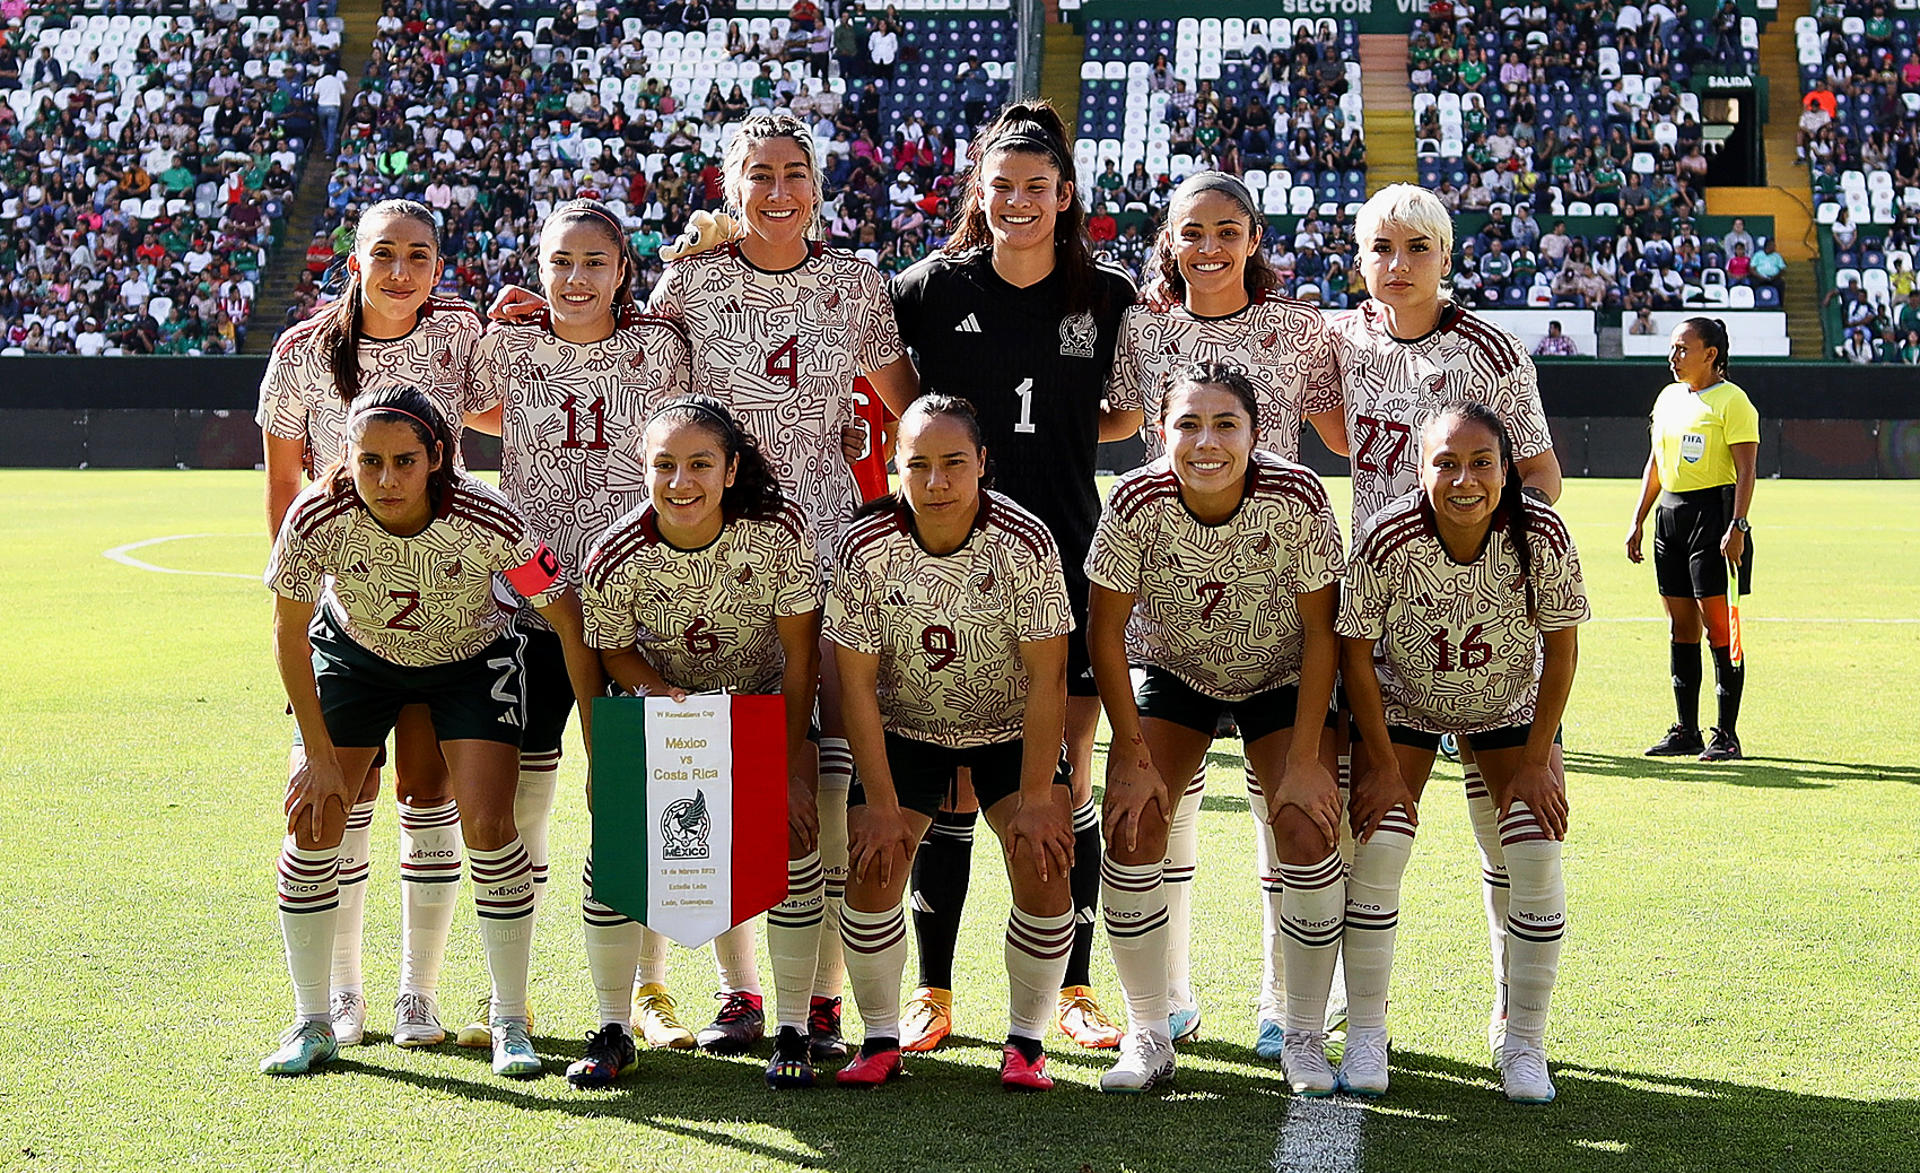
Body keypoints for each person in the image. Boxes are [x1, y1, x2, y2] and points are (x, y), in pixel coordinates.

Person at [886, 101, 1138, 1053]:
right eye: (1003, 187)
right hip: (942, 558)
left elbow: (1124, 414)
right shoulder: (925, 287)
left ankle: (1073, 986)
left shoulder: (1106, 297)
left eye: (1038, 187)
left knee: (1064, 777)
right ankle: (935, 990)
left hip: (1067, 554)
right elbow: (872, 367)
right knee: (951, 781)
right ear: (978, 195)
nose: (1020, 201)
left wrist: (1066, 434)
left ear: (1065, 194)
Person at [260, 387, 603, 1078]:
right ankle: (312, 1019)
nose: (386, 479)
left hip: (468, 660)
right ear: (347, 459)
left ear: (438, 457)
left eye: (404, 461)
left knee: (487, 823)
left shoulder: (489, 517)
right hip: (355, 657)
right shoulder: (318, 514)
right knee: (314, 818)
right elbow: (288, 632)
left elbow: (566, 617)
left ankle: (509, 1020)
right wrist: (321, 756)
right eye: (370, 461)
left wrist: (603, 751)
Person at [1103, 170, 1345, 1055]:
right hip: (1173, 611)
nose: (1208, 247)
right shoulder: (1144, 324)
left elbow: (1355, 426)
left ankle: (1287, 1004)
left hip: (1282, 606)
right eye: (1191, 231)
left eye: (1226, 230)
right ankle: (1161, 1005)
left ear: (1254, 239)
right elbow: (1115, 415)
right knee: (1157, 817)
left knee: (1289, 814)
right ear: (1168, 239)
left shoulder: (1297, 329)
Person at [1327, 184, 1564, 1073]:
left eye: (1417, 248)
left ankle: (1516, 1020)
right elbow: (1335, 431)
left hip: (1489, 629)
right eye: (1382, 248)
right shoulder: (1347, 341)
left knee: (1512, 833)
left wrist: (1475, 561)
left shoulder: (1490, 351)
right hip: (1382, 630)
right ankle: (1364, 1024)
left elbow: (1540, 475)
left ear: (1446, 255)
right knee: (1376, 831)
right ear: (1361, 260)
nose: (1399, 264)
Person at [466, 199, 696, 1058]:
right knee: (525, 797)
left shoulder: (658, 350)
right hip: (526, 601)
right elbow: (479, 415)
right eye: (560, 262)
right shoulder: (508, 345)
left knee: (638, 797)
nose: (575, 279)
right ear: (537, 265)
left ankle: (646, 987)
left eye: (594, 262)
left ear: (622, 271)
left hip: (631, 601)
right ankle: (511, 1000)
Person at [256, 199, 487, 1051]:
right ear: (352, 261)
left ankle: (416, 996)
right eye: (383, 253)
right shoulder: (302, 350)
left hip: (445, 602)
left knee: (429, 795)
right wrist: (302, 590)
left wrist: (530, 321)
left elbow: (510, 407)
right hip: (343, 611)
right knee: (331, 797)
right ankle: (339, 998)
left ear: (438, 266)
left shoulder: (460, 336)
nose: (401, 271)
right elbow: (283, 484)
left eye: (419, 256)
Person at [1084, 365, 1343, 1092]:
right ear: (1161, 433)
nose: (1206, 441)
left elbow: (1323, 632)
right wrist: (1130, 753)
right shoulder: (1135, 497)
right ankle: (1148, 1031)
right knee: (1133, 822)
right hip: (1176, 669)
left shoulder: (1296, 494)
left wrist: (1301, 757)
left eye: (1226, 424)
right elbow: (1105, 632)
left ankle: (1302, 1031)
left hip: (1280, 671)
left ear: (1256, 434)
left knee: (1307, 823)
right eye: (1187, 425)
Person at [1338, 402, 1588, 1103]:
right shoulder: (1388, 534)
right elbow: (1355, 654)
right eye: (1445, 462)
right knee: (1379, 841)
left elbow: (1564, 645)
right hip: (1406, 698)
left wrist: (1539, 760)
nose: (1464, 478)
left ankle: (1524, 1040)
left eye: (1482, 462)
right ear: (1419, 471)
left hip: (1508, 700)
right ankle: (1365, 1029)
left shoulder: (1539, 529)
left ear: (1507, 470)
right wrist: (1383, 765)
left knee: (1534, 843)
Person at [825, 395, 1077, 1090]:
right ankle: (879, 1037)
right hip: (906, 726)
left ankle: (1027, 1041)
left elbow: (1048, 674)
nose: (936, 482)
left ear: (983, 463)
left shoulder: (1025, 541)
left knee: (1044, 857)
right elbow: (857, 684)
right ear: (894, 466)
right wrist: (879, 800)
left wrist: (1033, 797)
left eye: (953, 463)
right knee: (873, 862)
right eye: (919, 465)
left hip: (1008, 724)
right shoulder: (863, 545)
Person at [575, 396, 827, 1090]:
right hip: (666, 713)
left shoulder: (777, 531)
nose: (680, 481)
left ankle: (794, 1029)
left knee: (793, 841)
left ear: (731, 468)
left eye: (699, 464)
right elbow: (613, 650)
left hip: (762, 707)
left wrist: (785, 765)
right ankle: (612, 1027)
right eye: (664, 465)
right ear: (643, 468)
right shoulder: (615, 552)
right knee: (617, 851)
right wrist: (660, 695)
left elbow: (801, 659)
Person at [1626, 317, 1757, 762]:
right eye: (1672, 347)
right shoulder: (1667, 399)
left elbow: (1746, 471)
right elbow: (1655, 464)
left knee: (1719, 627)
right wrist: (1639, 519)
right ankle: (1687, 730)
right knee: (1680, 625)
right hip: (1672, 517)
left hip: (1714, 517)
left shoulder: (1732, 401)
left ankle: (1727, 734)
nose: (1673, 355)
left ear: (1711, 354)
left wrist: (1737, 526)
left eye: (1683, 348)